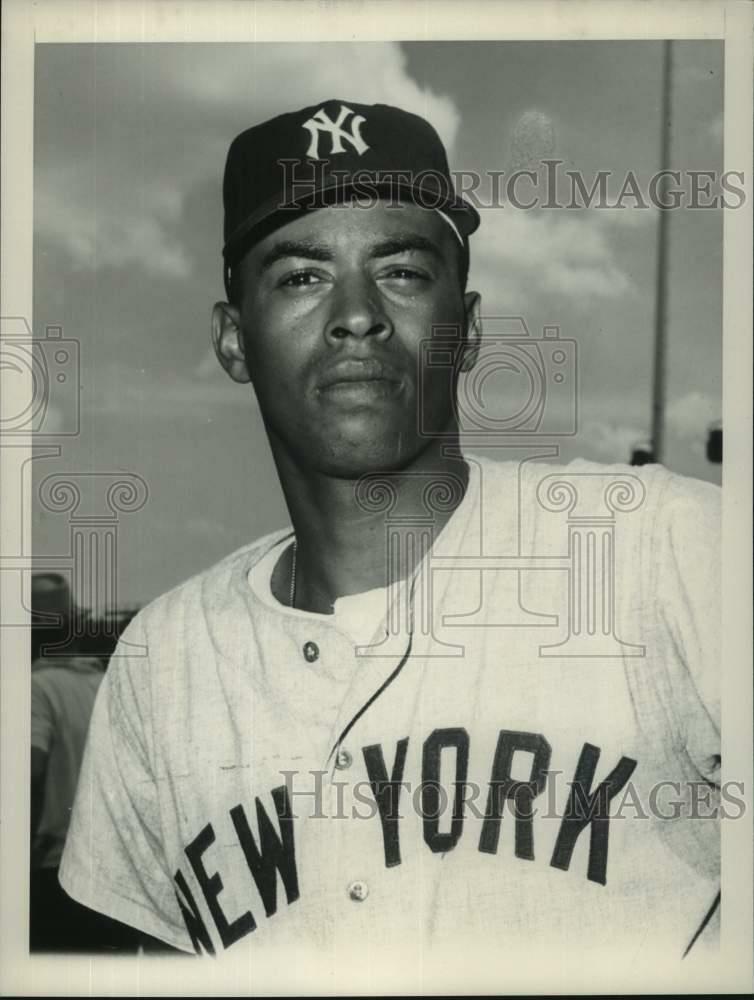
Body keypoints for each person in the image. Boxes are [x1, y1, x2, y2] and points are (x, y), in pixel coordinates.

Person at [59, 100, 721, 974]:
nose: (357, 314)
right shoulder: (163, 661)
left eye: (403, 272)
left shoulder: (660, 547)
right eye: (300, 276)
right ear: (233, 341)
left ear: (470, 326)